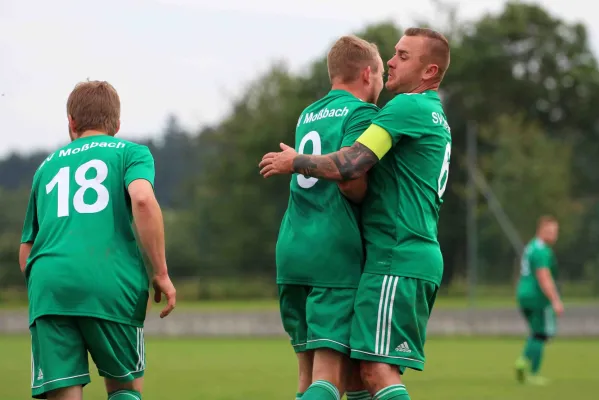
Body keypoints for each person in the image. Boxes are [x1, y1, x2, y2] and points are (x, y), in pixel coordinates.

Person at [260, 27, 452, 400]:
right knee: (356, 376)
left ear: (429, 71)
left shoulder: (404, 107)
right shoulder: (430, 113)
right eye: (392, 55)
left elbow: (352, 168)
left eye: (404, 56)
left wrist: (295, 161)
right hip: (395, 254)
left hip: (396, 255)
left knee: (372, 371)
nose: (393, 62)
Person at [20, 80, 177, 400]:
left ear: (72, 122)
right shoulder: (131, 153)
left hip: (49, 287)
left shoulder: (46, 168)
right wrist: (160, 272)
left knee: (63, 392)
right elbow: (143, 201)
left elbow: (27, 247)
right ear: (117, 124)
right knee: (124, 388)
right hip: (110, 280)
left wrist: (48, 291)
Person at [275, 35, 384, 400]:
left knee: (307, 377)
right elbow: (351, 180)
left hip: (293, 247)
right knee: (329, 377)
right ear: (368, 74)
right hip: (332, 252)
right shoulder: (362, 113)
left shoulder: (308, 114)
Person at [515, 215, 562, 386]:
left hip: (523, 294)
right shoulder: (542, 250)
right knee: (541, 334)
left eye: (555, 231)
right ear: (541, 230)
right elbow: (544, 276)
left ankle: (523, 361)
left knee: (535, 332)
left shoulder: (531, 246)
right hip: (537, 296)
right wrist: (555, 299)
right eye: (550, 231)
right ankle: (530, 370)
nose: (554, 234)